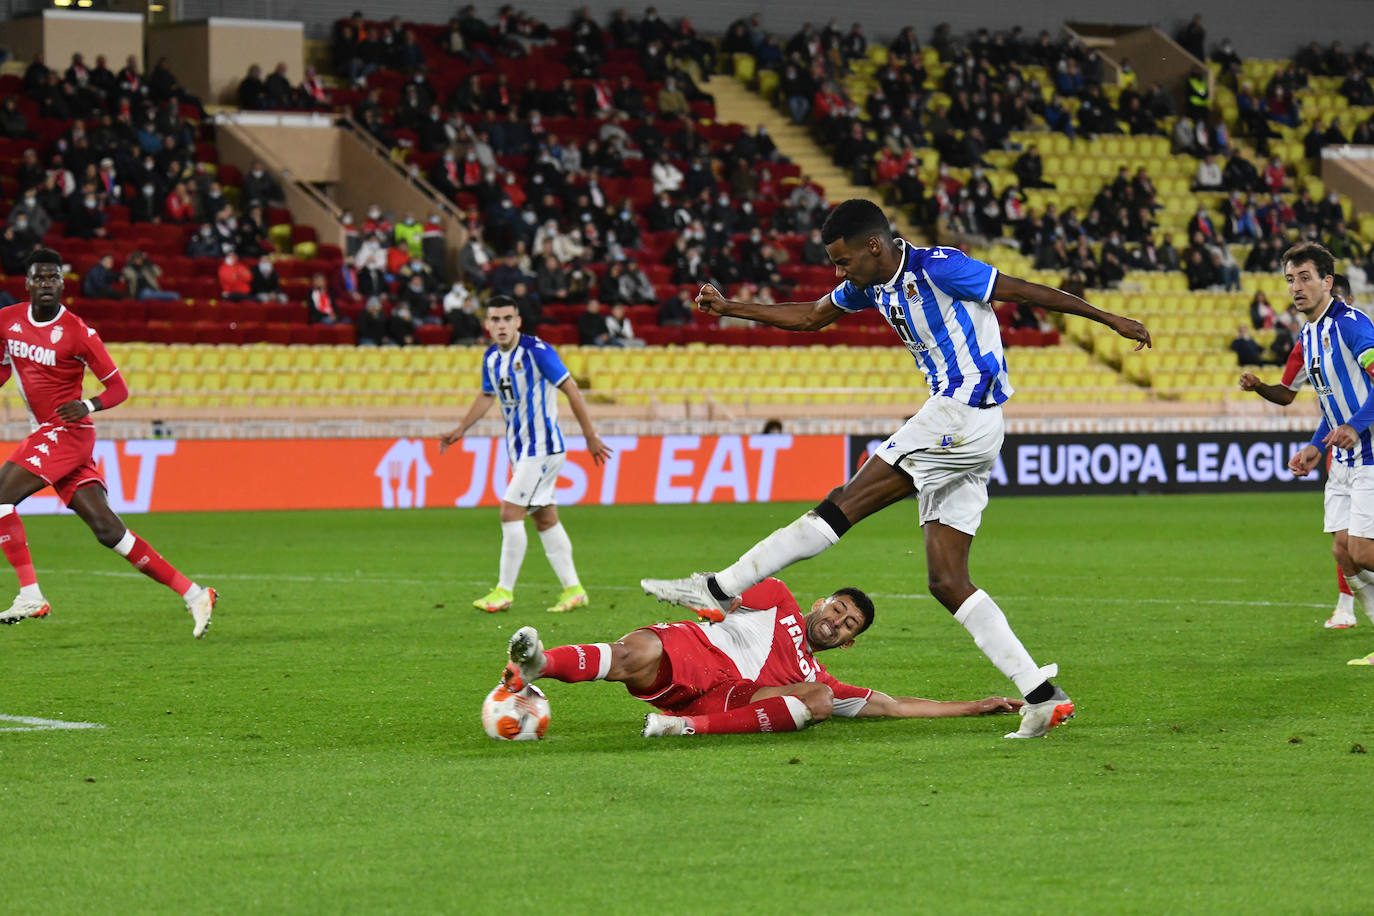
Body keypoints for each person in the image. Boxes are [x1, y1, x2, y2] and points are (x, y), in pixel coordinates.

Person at [640, 199, 1152, 738]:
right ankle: (1042, 695)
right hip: (971, 429)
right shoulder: (868, 286)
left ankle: (719, 589)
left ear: (874, 246)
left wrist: (1108, 318)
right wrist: (733, 308)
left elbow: (1024, 290)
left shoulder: (938, 266)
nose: (840, 272)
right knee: (947, 580)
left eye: (844, 260)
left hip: (960, 411)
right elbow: (814, 316)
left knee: (840, 507)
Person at [500, 577, 1023, 737]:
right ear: (821, 603)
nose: (836, 621)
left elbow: (895, 706)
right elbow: (724, 595)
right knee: (637, 652)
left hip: (729, 700)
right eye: (837, 609)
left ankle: (684, 729)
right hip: (702, 652)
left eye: (847, 625)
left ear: (849, 642)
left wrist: (975, 706)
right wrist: (706, 603)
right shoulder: (778, 597)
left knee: (817, 700)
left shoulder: (818, 673)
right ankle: (537, 665)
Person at [0, 249, 216, 635]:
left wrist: (87, 404)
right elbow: (4, 365)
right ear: (28, 283)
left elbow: (118, 388)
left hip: (67, 432)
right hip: (47, 434)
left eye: (53, 278)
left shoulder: (79, 333)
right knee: (107, 530)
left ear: (62, 284)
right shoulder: (8, 320)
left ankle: (30, 593)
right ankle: (194, 593)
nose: (46, 284)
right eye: (39, 278)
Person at [439, 297, 612, 614]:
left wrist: (590, 436)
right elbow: (486, 395)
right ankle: (574, 590)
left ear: (518, 321)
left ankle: (504, 592)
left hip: (543, 448)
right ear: (487, 325)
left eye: (507, 318)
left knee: (509, 511)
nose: (501, 325)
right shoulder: (492, 357)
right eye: (495, 319)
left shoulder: (537, 351)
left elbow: (571, 388)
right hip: (520, 450)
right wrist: (461, 428)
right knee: (545, 518)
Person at [1242, 272, 1361, 629]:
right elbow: (1298, 395)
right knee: (1344, 541)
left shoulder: (1358, 334)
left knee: (1360, 544)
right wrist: (1315, 443)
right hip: (1343, 447)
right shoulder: (1307, 341)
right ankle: (1346, 605)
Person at [1281, 245, 1374, 666]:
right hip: (1344, 460)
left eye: (1304, 277)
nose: (1295, 287)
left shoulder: (1353, 326)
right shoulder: (1308, 335)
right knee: (1342, 551)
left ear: (1327, 282)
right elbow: (1331, 404)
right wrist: (1315, 447)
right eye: (1290, 279)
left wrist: (1356, 426)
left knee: (1364, 552)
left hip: (1370, 452)